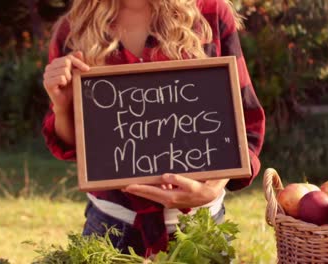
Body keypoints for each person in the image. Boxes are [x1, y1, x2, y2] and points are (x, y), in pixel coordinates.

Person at [42, 0, 265, 257]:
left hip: (200, 229)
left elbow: (245, 122)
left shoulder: (210, 12)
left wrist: (213, 186)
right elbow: (73, 146)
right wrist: (61, 105)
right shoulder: (74, 29)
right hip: (111, 231)